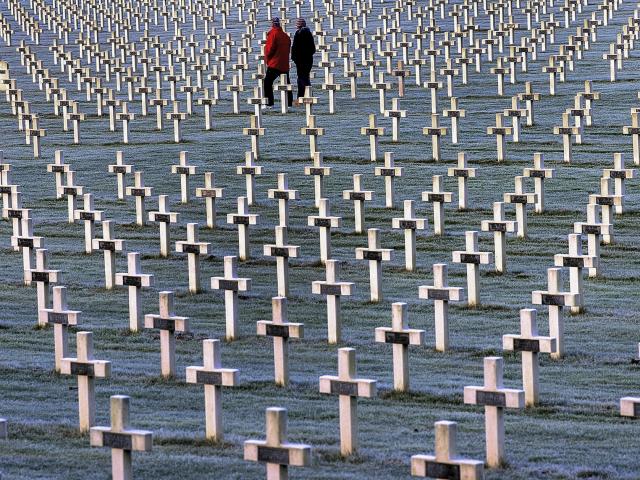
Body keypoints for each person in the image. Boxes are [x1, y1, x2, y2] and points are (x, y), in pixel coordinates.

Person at [264, 17, 293, 109]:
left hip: (274, 63)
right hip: (284, 63)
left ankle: (269, 103)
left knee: (267, 82)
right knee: (286, 84)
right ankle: (289, 104)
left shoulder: (273, 34)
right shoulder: (285, 36)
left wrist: (267, 59)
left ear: (272, 24)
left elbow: (269, 49)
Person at [291, 18, 316, 103]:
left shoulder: (298, 34)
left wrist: (294, 58)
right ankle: (309, 95)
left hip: (300, 60)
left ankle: (300, 98)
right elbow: (313, 49)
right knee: (306, 77)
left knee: (301, 78)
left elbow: (294, 48)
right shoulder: (309, 33)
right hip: (308, 60)